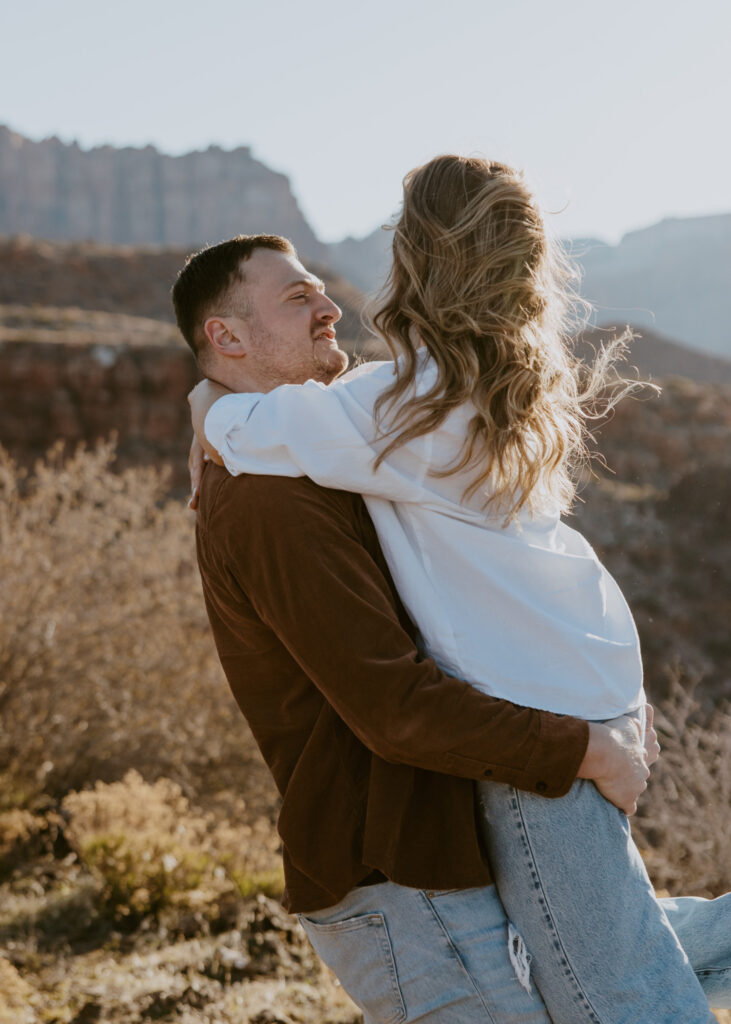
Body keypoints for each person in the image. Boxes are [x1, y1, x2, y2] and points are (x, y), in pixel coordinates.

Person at [185, 159, 731, 1023]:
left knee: (613, 988)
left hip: (533, 735)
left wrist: (207, 408)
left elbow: (243, 421)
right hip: (543, 728)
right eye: (299, 298)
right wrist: (589, 745)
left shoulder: (383, 411)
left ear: (415, 264)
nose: (330, 306)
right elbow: (392, 703)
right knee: (618, 965)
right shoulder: (476, 391)